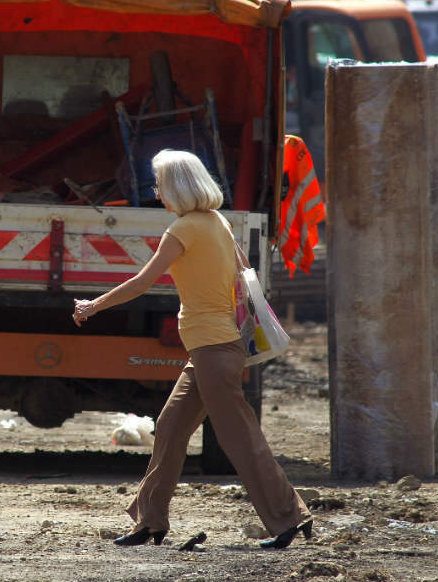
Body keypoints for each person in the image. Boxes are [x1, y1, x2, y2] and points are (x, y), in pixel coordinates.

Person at [73, 150, 314, 550]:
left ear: (176, 187)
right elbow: (243, 275)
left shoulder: (182, 230)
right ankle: (149, 522)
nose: (157, 192)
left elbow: (141, 283)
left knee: (240, 438)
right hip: (215, 348)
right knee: (169, 428)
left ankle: (289, 518)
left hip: (213, 350)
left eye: (160, 184)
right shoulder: (217, 222)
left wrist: (92, 306)